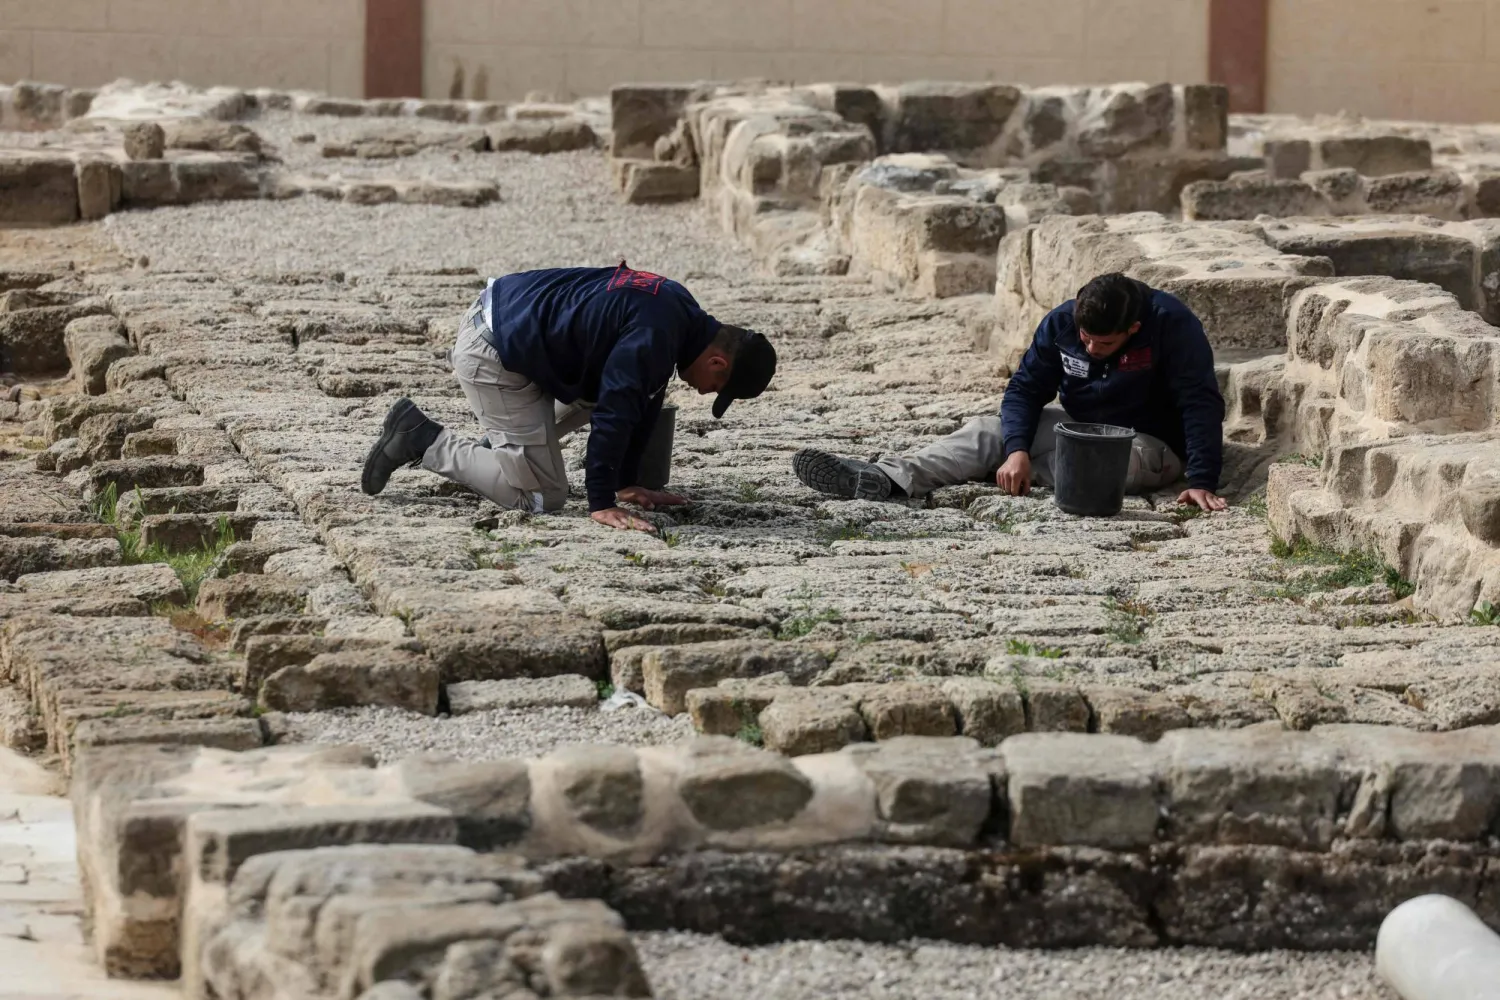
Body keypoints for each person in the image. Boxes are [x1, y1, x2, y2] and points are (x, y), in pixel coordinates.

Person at [361, 262, 777, 533]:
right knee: (542, 497)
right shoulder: (655, 340)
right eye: (716, 389)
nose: (705, 392)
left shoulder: (679, 310)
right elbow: (616, 412)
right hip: (493, 354)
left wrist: (626, 483)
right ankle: (421, 439)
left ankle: (507, 450)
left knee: (612, 390)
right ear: (718, 364)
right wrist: (600, 502)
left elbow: (644, 395)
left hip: (508, 318)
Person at [793, 272, 1228, 511]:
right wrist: (1016, 447)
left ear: (1133, 329)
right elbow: (1024, 390)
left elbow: (1199, 402)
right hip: (1077, 423)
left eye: (1106, 344)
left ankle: (995, 470)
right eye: (1086, 339)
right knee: (989, 431)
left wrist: (1203, 479)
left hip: (1147, 443)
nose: (1092, 349)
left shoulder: (1172, 324)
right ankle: (887, 477)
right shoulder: (1061, 324)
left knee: (1094, 468)